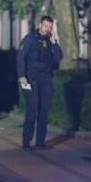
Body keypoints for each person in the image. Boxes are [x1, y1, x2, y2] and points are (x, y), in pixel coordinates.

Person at [16, 15, 63, 151]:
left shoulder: (50, 41)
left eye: (50, 27)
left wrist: (54, 43)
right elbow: (21, 58)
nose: (48, 29)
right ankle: (26, 142)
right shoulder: (30, 39)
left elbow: (58, 58)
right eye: (45, 26)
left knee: (44, 111)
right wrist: (21, 76)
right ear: (40, 25)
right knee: (32, 108)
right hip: (31, 78)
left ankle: (40, 143)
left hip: (46, 79)